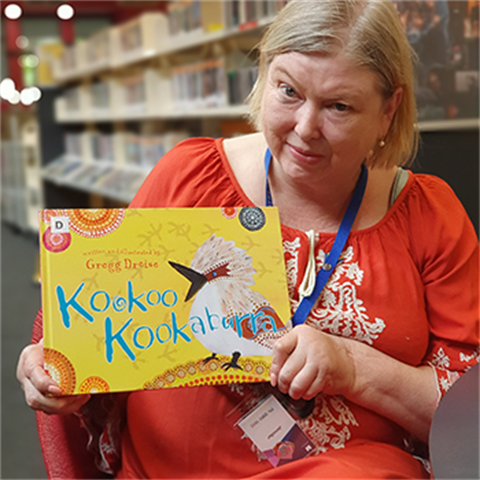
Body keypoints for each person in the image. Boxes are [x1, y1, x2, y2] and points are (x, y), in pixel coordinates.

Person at [17, 1, 479, 479]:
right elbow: (111, 327)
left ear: (389, 110)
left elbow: (466, 418)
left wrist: (354, 367)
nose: (305, 128)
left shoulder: (428, 215)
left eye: (339, 106)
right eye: (289, 91)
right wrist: (62, 369)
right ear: (264, 74)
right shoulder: (189, 178)